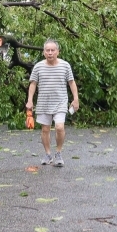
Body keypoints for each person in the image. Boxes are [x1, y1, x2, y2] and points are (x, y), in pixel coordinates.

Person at [26, 39, 80, 167]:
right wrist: (29, 101)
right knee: (45, 129)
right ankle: (48, 154)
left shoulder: (65, 65)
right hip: (44, 102)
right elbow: (33, 84)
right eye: (47, 50)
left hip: (60, 102)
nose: (50, 53)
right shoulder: (38, 66)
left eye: (52, 50)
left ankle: (58, 153)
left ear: (58, 52)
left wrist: (76, 99)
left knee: (59, 127)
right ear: (44, 52)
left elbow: (71, 82)